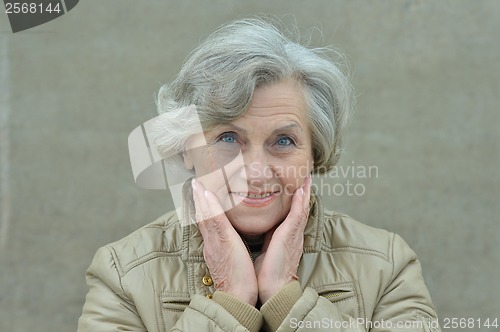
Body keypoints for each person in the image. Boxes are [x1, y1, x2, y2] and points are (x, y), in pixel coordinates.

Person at [78, 18, 441, 332]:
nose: (254, 172)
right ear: (187, 149)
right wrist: (230, 302)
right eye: (227, 138)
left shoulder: (387, 265)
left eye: (283, 140)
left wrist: (286, 298)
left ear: (314, 152)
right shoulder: (121, 274)